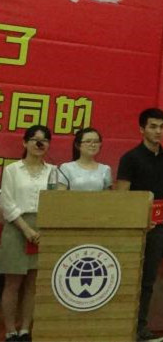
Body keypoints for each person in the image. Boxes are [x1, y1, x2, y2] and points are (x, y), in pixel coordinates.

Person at [116, 107, 163, 342]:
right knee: (128, 276)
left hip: (159, 227)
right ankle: (122, 326)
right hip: (133, 229)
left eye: (162, 127)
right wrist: (137, 220)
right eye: (153, 126)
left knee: (148, 279)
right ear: (142, 129)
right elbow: (122, 196)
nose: (158, 131)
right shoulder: (130, 158)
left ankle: (141, 328)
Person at [0, 126, 57, 342]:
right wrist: (26, 229)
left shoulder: (54, 171)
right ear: (25, 143)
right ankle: (10, 331)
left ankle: (25, 329)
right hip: (17, 226)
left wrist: (42, 229)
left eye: (44, 140)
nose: (39, 144)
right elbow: (6, 202)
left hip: (43, 228)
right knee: (12, 283)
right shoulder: (12, 170)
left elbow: (57, 202)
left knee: (33, 283)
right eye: (34, 139)